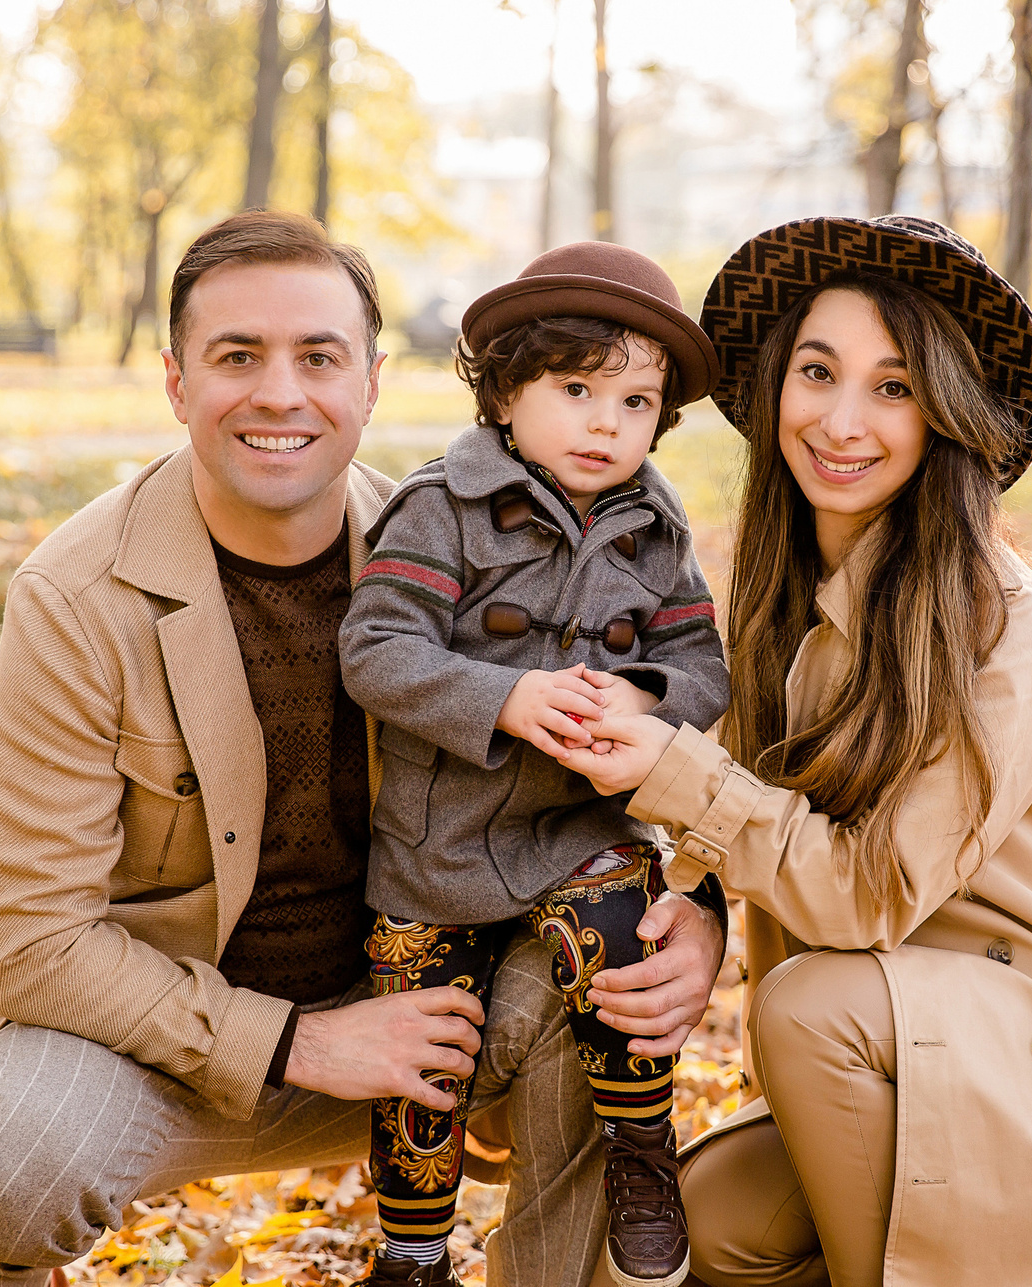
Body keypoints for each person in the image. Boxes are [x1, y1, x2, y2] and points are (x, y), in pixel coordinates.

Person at [0, 210, 727, 1287]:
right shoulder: (77, 600)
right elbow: (25, 945)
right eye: (237, 356)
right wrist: (298, 1043)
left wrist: (706, 916)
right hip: (171, 1045)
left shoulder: (469, 547)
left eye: (318, 357)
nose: (280, 394)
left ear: (372, 382)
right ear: (174, 381)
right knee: (3, 1173)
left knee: (603, 983)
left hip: (436, 1008)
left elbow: (649, 755)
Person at [551, 213, 1032, 1285]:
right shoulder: (778, 595)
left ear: (941, 414)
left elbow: (863, 893)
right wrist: (704, 911)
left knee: (807, 1012)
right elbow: (765, 811)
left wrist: (670, 770)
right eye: (818, 373)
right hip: (928, 1037)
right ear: (775, 391)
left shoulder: (998, 616)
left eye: (893, 389)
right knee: (707, 1226)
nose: (842, 421)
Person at [337, 241, 732, 1287]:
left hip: (576, 831)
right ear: (505, 390)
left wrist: (644, 697)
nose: (609, 423)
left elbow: (702, 662)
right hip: (441, 842)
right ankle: (413, 1244)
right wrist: (505, 695)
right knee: (426, 1045)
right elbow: (375, 649)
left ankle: (641, 1150)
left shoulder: (655, 525)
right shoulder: (443, 506)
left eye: (638, 402)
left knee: (630, 934)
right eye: (575, 389)